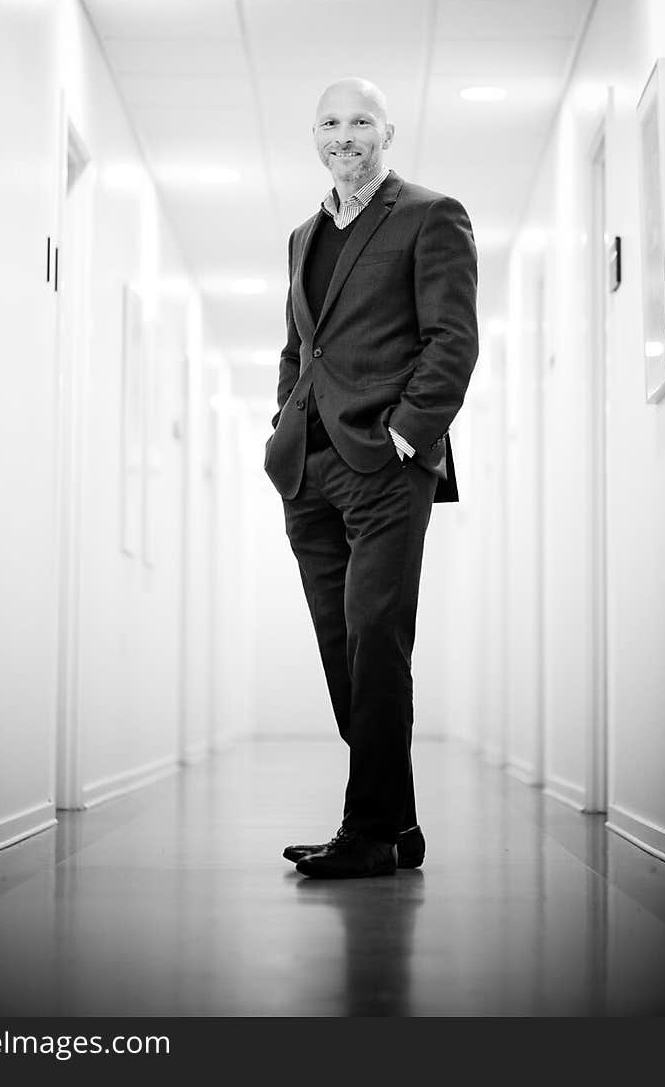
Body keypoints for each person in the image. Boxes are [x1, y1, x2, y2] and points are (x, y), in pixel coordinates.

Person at [264, 77, 479, 879]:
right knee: (341, 648)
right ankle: (400, 822)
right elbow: (298, 349)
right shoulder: (300, 236)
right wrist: (282, 425)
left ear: (388, 130)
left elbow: (452, 339)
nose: (343, 135)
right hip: (308, 468)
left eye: (359, 121)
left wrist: (406, 433)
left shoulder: (430, 215)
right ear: (313, 135)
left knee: (377, 639)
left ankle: (366, 832)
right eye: (328, 121)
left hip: (387, 467)